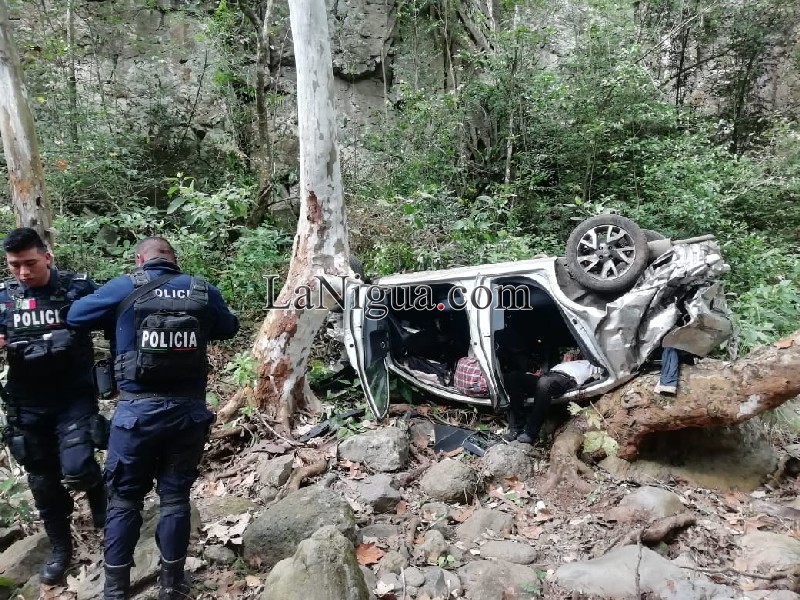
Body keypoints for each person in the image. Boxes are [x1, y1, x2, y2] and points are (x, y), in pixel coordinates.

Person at [67, 237, 239, 600]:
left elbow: (75, 316)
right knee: (175, 497)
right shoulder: (201, 289)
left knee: (124, 500)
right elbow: (228, 328)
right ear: (174, 259)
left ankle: (115, 591)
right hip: (187, 413)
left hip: (136, 415)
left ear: (139, 259)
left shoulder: (123, 287)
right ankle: (171, 585)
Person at [0, 227, 106, 584]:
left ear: (47, 257)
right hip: (26, 402)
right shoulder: (5, 298)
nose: (23, 272)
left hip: (73, 396)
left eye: (30, 263)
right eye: (14, 265)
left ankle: (99, 497)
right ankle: (61, 549)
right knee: (43, 481)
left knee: (77, 467)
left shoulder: (78, 288)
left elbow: (115, 320)